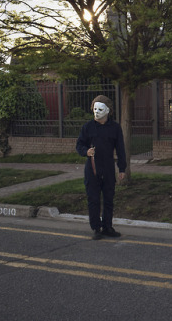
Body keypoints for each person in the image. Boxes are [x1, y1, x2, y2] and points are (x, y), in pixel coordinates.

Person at [76, 95, 126, 240]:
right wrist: (86, 151)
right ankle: (96, 227)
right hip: (92, 169)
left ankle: (108, 227)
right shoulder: (87, 127)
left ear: (108, 110)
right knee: (93, 199)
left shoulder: (115, 128)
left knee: (109, 198)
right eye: (95, 109)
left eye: (100, 109)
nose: (97, 112)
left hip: (108, 168)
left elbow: (120, 149)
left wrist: (122, 168)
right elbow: (79, 145)